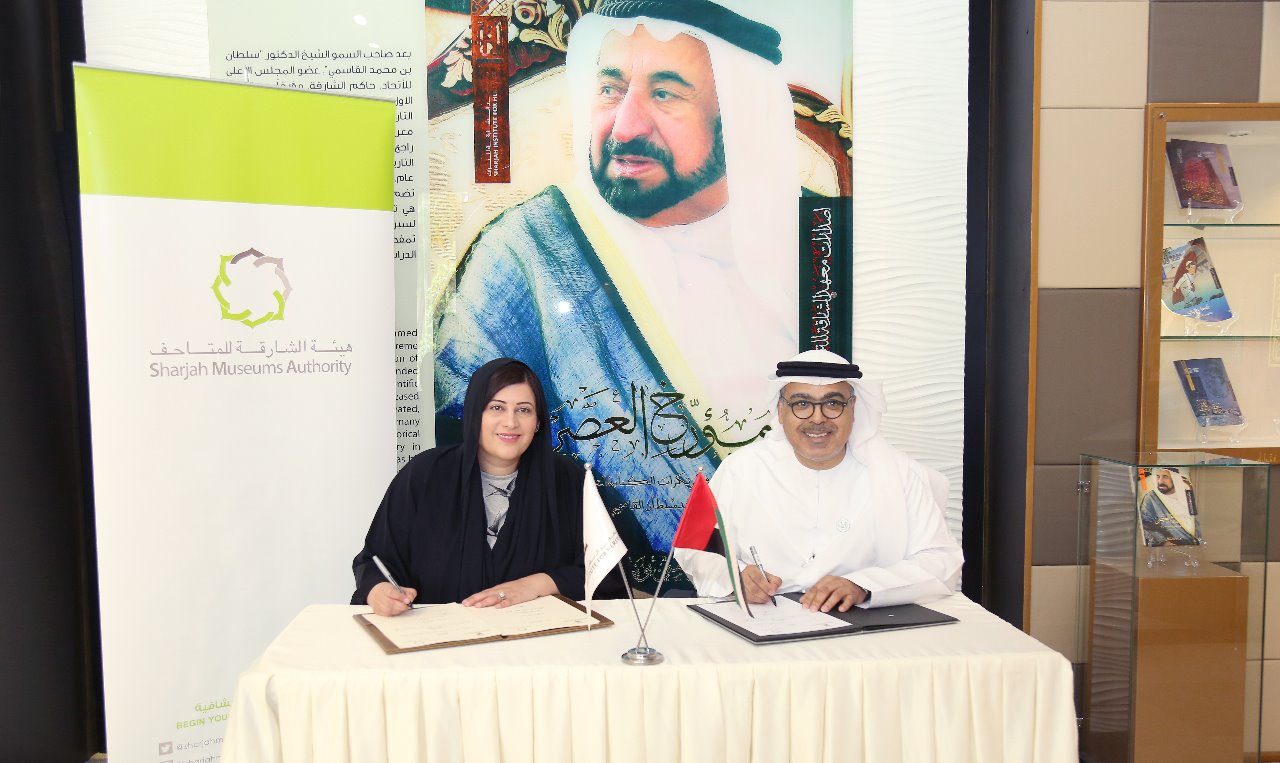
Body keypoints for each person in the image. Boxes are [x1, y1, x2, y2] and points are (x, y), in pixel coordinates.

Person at [432, 0, 801, 562]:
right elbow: (461, 440)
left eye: (666, 94)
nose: (625, 126)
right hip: (585, 586)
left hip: (793, 581)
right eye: (610, 89)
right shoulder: (529, 253)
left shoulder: (810, 249)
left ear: (739, 115)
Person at [687, 349, 963, 612]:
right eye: (802, 404)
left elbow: (941, 561)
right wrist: (734, 578)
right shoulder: (740, 470)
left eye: (833, 403)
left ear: (853, 408)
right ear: (781, 411)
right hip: (762, 619)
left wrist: (864, 585)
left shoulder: (899, 474)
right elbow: (695, 548)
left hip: (861, 626)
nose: (817, 418)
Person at [352, 358, 616, 616]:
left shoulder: (569, 481)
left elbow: (610, 572)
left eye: (524, 410)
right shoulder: (424, 475)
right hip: (440, 639)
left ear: (538, 422)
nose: (510, 422)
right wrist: (379, 591)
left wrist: (537, 585)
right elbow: (376, 561)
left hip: (541, 641)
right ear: (473, 414)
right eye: (496, 408)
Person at [1138, 468, 1201, 546]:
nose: (1160, 481)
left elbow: (1197, 520)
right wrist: (1164, 542)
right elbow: (1145, 526)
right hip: (1169, 549)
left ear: (1175, 478)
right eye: (1158, 477)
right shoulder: (1151, 499)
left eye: (1165, 477)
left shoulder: (1187, 495)